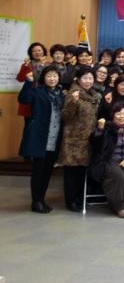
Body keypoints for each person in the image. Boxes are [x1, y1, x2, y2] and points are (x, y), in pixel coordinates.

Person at [18, 65, 64, 213]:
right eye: (49, 76)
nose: (52, 79)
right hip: (40, 137)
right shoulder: (37, 91)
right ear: (44, 78)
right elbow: (23, 99)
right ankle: (36, 201)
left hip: (54, 137)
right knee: (38, 171)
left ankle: (42, 199)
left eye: (55, 76)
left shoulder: (61, 94)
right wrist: (28, 82)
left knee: (47, 171)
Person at [59, 66, 101, 212]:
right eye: (85, 78)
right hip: (73, 140)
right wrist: (73, 102)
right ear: (78, 79)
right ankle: (70, 201)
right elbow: (65, 116)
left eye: (91, 78)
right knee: (71, 173)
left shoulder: (94, 95)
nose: (88, 81)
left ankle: (78, 198)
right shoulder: (74, 93)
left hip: (88, 139)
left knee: (82, 172)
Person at [89, 103, 124, 218]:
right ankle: (119, 206)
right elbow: (94, 142)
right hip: (107, 161)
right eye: (118, 114)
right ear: (113, 115)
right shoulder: (106, 127)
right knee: (118, 175)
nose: (122, 117)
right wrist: (100, 129)